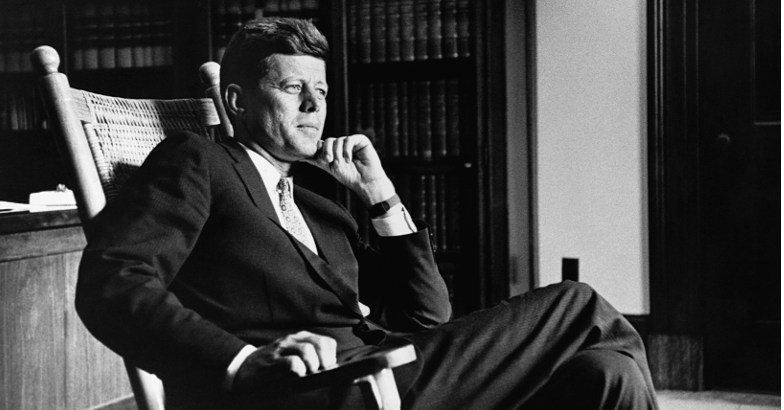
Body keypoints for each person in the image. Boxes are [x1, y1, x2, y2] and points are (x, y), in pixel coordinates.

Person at [75, 17, 659, 409]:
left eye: (323, 92)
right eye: (293, 88)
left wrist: (379, 194)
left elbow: (426, 316)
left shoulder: (319, 207)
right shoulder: (199, 161)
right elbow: (111, 280)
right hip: (307, 392)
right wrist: (242, 362)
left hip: (383, 372)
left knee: (610, 373)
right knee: (578, 304)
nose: (314, 105)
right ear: (236, 101)